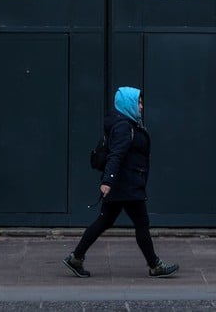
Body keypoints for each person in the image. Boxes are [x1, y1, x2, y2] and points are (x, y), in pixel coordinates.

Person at [63, 86, 179, 279]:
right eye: (138, 102)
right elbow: (116, 155)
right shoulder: (124, 127)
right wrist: (108, 180)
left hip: (124, 182)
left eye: (141, 103)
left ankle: (76, 257)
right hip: (127, 184)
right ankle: (155, 265)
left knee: (104, 221)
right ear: (128, 104)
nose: (141, 107)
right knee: (141, 222)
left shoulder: (126, 123)